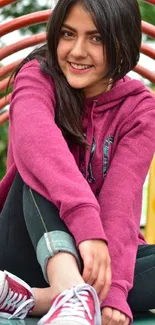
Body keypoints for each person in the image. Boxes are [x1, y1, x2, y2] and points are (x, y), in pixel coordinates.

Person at [0, 0, 155, 324]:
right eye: (68, 34)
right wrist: (85, 227)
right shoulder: (36, 75)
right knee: (39, 167)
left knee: (129, 260)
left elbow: (121, 201)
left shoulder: (141, 110)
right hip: (25, 242)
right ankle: (69, 288)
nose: (77, 51)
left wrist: (115, 292)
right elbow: (36, 142)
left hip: (99, 254)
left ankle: (39, 299)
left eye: (96, 38)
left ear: (122, 41)